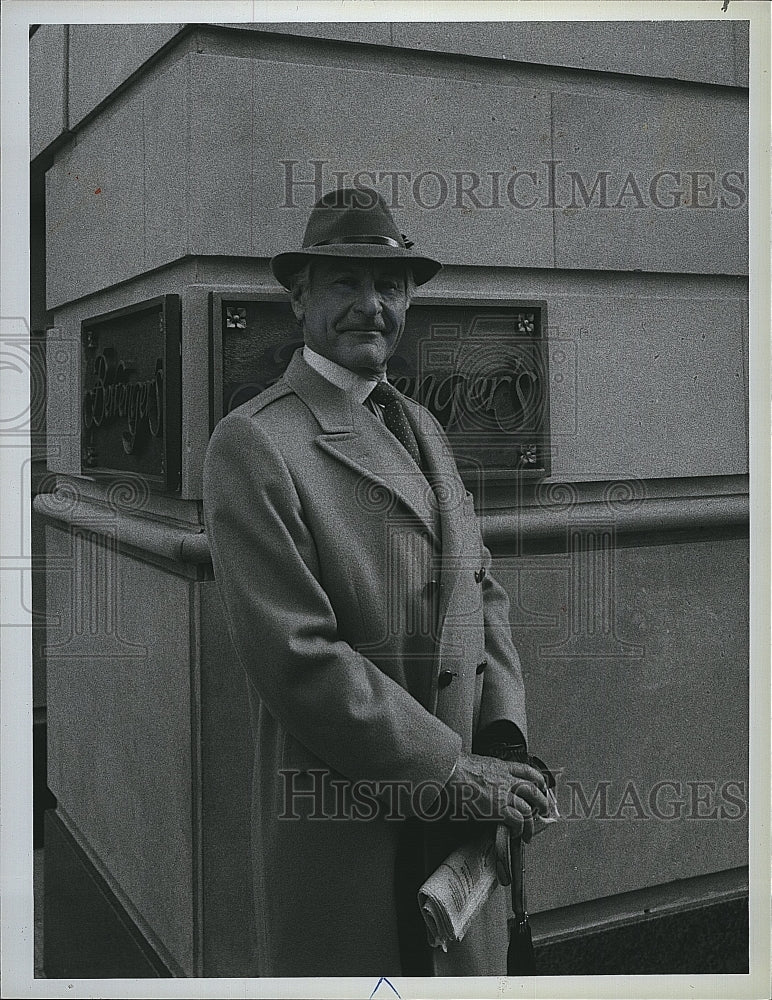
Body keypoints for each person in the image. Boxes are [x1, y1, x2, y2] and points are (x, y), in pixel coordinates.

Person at [203, 187, 549, 977]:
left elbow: (480, 586)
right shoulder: (256, 442)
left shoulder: (420, 423)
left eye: (389, 286)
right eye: (345, 284)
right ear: (299, 297)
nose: (372, 306)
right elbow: (300, 659)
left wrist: (503, 740)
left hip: (461, 821)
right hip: (354, 830)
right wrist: (454, 771)